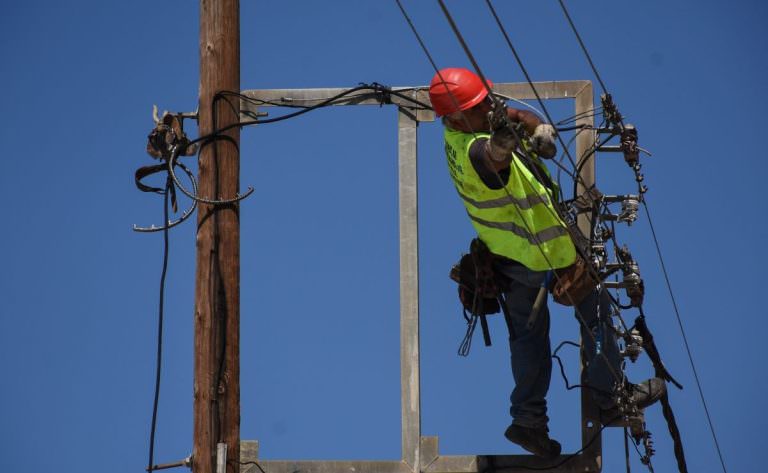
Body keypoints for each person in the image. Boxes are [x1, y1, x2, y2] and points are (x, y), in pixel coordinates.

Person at [429, 68, 666, 459]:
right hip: (545, 255)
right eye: (477, 106)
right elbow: (491, 160)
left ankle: (527, 422)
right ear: (454, 118)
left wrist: (533, 126)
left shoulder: (465, 126)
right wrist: (504, 145)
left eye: (487, 99)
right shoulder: (471, 149)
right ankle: (610, 399)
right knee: (596, 309)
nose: (488, 108)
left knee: (527, 339)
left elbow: (511, 120)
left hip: (509, 258)